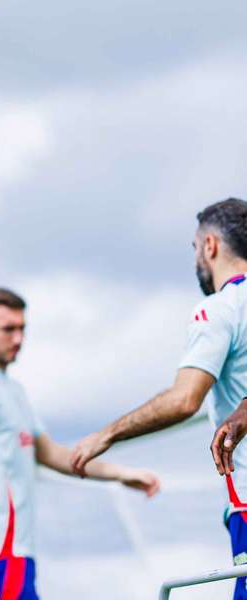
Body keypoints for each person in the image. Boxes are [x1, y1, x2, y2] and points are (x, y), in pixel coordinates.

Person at [70, 198, 247, 599]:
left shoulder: (220, 309)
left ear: (211, 246)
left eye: (194, 248)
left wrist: (107, 434)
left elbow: (185, 400)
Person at [0, 289, 160, 599]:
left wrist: (121, 474)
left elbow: (54, 455)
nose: (18, 338)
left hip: (18, 548)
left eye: (22, 329)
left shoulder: (14, 391)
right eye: (8, 329)